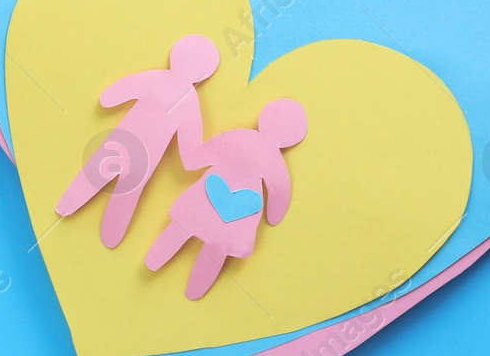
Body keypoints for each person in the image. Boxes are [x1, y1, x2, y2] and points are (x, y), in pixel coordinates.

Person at [55, 34, 220, 248]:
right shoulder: (189, 101)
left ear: (175, 56)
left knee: (95, 173)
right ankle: (110, 236)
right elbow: (189, 153)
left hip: (121, 141)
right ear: (204, 74)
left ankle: (67, 206)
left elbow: (109, 97)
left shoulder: (156, 79)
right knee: (128, 194)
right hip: (147, 157)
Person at [144, 98, 308, 299]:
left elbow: (205, 153)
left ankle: (155, 261)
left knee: (184, 226)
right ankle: (194, 290)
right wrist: (273, 216)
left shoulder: (239, 137)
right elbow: (280, 191)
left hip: (210, 195)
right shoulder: (274, 159)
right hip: (240, 210)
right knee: (218, 247)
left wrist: (194, 159)